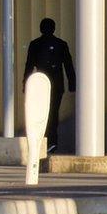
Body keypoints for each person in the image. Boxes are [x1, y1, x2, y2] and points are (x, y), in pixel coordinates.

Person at [23, 18, 76, 153]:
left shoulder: (35, 44)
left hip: (40, 84)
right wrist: (72, 83)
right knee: (53, 112)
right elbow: (68, 65)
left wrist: (26, 84)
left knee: (41, 113)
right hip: (56, 83)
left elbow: (29, 66)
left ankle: (45, 140)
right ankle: (52, 141)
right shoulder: (61, 44)